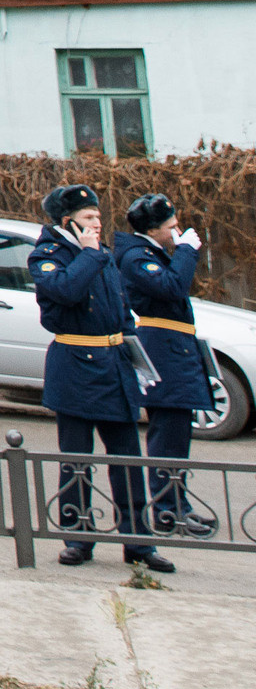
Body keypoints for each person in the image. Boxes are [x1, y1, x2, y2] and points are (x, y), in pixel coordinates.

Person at [32, 183, 161, 569]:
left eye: (99, 218)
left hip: (113, 366)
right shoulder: (47, 255)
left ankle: (139, 543)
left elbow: (120, 311)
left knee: (127, 459)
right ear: (68, 222)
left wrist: (136, 356)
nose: (97, 225)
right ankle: (78, 539)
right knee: (76, 460)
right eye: (89, 219)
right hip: (74, 365)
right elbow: (66, 291)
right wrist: (87, 254)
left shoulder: (102, 255)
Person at [121, 192, 214, 540]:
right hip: (164, 354)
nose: (177, 232)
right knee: (167, 438)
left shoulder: (150, 253)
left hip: (174, 351)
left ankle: (178, 506)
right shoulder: (135, 257)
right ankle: (165, 511)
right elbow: (173, 287)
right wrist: (187, 252)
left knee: (178, 436)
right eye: (172, 227)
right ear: (154, 229)